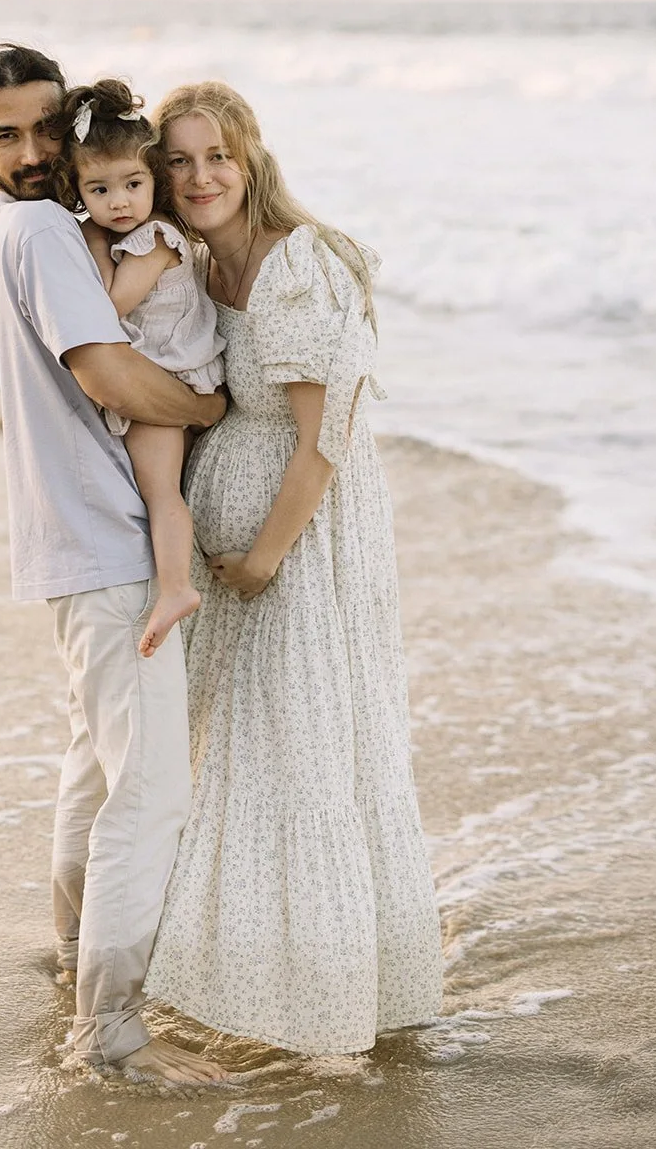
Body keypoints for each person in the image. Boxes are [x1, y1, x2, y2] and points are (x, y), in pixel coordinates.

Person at [143, 81, 444, 1054]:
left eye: (215, 157)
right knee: (236, 749)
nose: (198, 177)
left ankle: (320, 996)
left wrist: (265, 556)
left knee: (298, 746)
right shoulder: (194, 264)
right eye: (177, 160)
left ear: (251, 159)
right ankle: (241, 971)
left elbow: (323, 442)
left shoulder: (294, 266)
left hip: (297, 542)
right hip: (232, 549)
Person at [0, 44, 226, 1083]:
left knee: (91, 768)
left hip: (65, 540)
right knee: (147, 790)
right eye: (2, 134)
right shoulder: (44, 232)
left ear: (72, 128)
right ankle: (108, 1031)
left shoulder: (12, 230)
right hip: (110, 539)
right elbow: (108, 368)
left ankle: (76, 963)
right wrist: (206, 405)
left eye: (42, 129)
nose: (28, 152)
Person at [49, 78, 225, 659]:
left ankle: (176, 589)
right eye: (99, 190)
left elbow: (110, 306)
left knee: (160, 493)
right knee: (158, 489)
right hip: (160, 374)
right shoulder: (130, 230)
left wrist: (94, 239)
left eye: (132, 184)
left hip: (172, 378)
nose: (119, 200)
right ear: (78, 189)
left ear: (154, 180)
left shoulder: (154, 238)